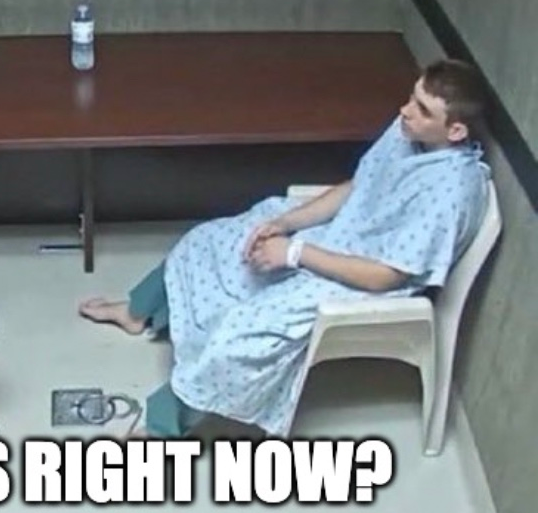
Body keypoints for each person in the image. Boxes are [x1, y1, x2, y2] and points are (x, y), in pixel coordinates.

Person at [79, 58, 491, 438]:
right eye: (411, 98)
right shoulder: (408, 133)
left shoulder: (451, 192)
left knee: (243, 331)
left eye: (422, 109)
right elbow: (359, 188)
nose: (405, 110)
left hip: (369, 280)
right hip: (341, 235)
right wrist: (286, 224)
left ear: (455, 131)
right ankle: (138, 311)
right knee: (211, 242)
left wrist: (294, 253)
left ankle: (160, 426)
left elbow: (386, 275)